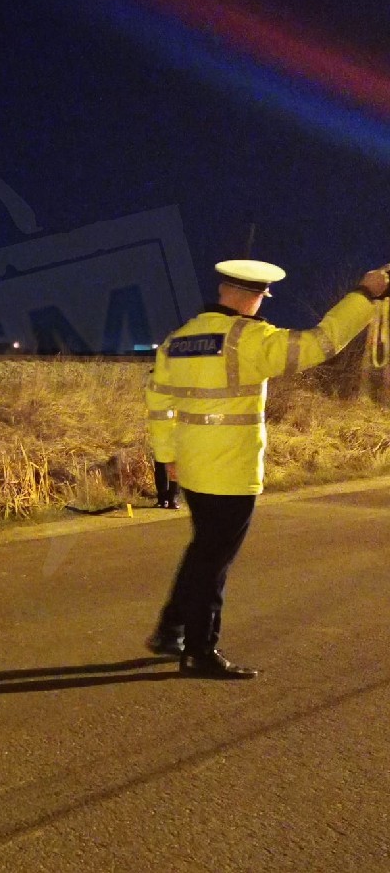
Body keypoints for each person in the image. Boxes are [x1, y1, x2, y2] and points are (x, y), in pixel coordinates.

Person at [144, 258, 390, 678]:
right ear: (254, 297)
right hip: (231, 469)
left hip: (192, 465)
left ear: (224, 290)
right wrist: (365, 296)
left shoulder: (179, 338)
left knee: (204, 549)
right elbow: (320, 343)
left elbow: (159, 404)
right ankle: (199, 651)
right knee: (213, 560)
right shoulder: (249, 338)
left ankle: (172, 629)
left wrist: (168, 458)